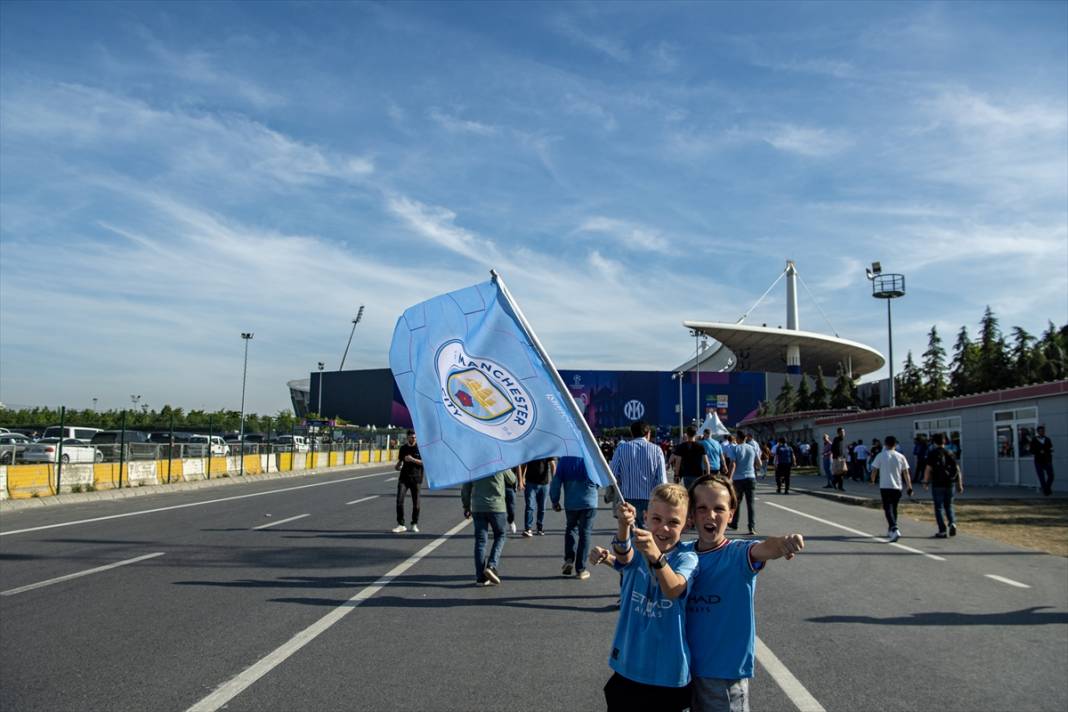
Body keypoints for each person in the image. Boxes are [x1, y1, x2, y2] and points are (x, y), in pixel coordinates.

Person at [684, 475, 805, 712]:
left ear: (731, 514)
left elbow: (764, 548)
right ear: (692, 515)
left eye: (719, 509)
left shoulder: (738, 554)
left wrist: (784, 543)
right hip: (683, 672)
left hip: (724, 676)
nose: (711, 516)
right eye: (702, 509)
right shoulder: (682, 554)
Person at [599, 485, 698, 712]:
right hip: (628, 667)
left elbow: (674, 589)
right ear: (644, 518)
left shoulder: (687, 557)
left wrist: (656, 556)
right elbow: (623, 556)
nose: (663, 528)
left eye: (673, 522)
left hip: (670, 675)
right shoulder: (639, 545)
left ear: (687, 524)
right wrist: (623, 525)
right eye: (656, 519)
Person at [461, 468, 518, 585]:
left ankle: (480, 577)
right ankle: (492, 566)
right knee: (500, 535)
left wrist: (466, 506)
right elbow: (512, 479)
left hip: (478, 507)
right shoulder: (499, 463)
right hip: (497, 507)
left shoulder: (473, 465)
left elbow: (466, 487)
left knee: (480, 541)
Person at [609, 420, 668, 528]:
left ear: (632, 434)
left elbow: (612, 474)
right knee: (647, 533)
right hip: (650, 499)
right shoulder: (656, 450)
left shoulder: (621, 449)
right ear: (648, 433)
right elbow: (662, 481)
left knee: (630, 532)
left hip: (628, 499)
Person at [550, 456, 599, 579]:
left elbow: (556, 482)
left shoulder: (564, 460)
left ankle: (569, 558)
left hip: (571, 502)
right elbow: (599, 480)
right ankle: (580, 569)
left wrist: (555, 500)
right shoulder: (590, 457)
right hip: (589, 501)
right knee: (585, 533)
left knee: (571, 528)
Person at [869, 436, 912, 542]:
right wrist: (909, 486)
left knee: (888, 508)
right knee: (894, 508)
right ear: (895, 444)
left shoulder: (881, 455)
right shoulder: (901, 456)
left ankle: (894, 528)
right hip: (897, 486)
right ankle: (891, 529)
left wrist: (872, 480)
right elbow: (906, 472)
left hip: (885, 486)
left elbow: (874, 470)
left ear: (885, 444)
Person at [922, 432, 963, 538]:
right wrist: (960, 484)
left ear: (934, 442)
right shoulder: (950, 452)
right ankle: (952, 522)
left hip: (937, 483)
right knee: (949, 505)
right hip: (950, 483)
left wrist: (925, 482)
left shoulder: (932, 453)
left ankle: (942, 530)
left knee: (939, 507)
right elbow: (957, 469)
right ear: (945, 441)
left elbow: (928, 469)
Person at [727, 430, 761, 535]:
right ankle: (752, 527)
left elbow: (733, 464)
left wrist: (729, 477)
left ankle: (734, 523)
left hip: (738, 479)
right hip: (750, 477)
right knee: (750, 504)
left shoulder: (735, 448)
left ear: (738, 438)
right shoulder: (752, 448)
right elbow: (759, 463)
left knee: (737, 502)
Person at [392, 430, 423, 533]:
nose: (413, 439)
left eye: (415, 437)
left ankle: (414, 524)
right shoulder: (403, 448)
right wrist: (397, 466)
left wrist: (412, 459)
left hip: (416, 479)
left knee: (416, 504)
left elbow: (425, 463)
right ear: (407, 437)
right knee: (399, 501)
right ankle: (401, 524)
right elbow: (400, 462)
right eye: (411, 437)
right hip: (404, 478)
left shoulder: (421, 448)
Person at [521, 457, 556, 536]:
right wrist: (522, 478)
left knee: (542, 508)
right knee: (530, 506)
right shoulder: (530, 448)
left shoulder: (547, 449)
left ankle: (539, 528)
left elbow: (552, 464)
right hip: (530, 482)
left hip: (544, 484)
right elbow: (524, 463)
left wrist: (554, 480)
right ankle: (528, 529)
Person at [1030, 425, 1055, 496]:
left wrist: (1048, 451)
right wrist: (1038, 451)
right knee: (1041, 477)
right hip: (1038, 461)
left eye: (1043, 431)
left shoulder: (1047, 439)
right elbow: (1031, 450)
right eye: (1040, 431)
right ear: (1037, 432)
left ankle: (1047, 488)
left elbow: (1051, 448)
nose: (1042, 432)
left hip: (1047, 460)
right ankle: (1046, 491)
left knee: (1051, 475)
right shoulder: (1034, 440)